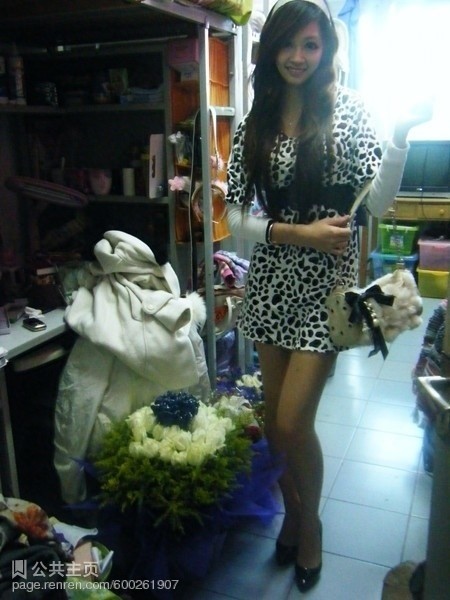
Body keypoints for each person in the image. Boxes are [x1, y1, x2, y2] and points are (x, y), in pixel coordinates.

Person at [225, 0, 431, 592]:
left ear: (326, 50)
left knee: (293, 422)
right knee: (273, 421)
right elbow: (234, 217)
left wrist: (400, 134)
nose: (298, 57)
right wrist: (301, 234)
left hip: (325, 290)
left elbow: (379, 204)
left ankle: (308, 524)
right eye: (288, 45)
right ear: (271, 49)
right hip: (270, 285)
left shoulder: (351, 112)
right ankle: (294, 516)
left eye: (310, 45)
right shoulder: (257, 121)